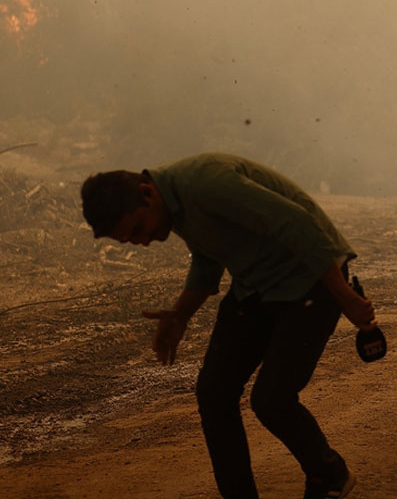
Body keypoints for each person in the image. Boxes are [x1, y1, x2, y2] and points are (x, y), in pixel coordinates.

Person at [80, 153, 374, 499]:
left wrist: (343, 295)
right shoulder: (174, 206)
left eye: (138, 230)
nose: (142, 241)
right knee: (213, 392)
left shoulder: (207, 183)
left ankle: (330, 475)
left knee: (272, 399)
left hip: (311, 280)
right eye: (130, 240)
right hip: (258, 286)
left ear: (147, 193)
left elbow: (297, 222)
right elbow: (208, 258)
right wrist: (180, 315)